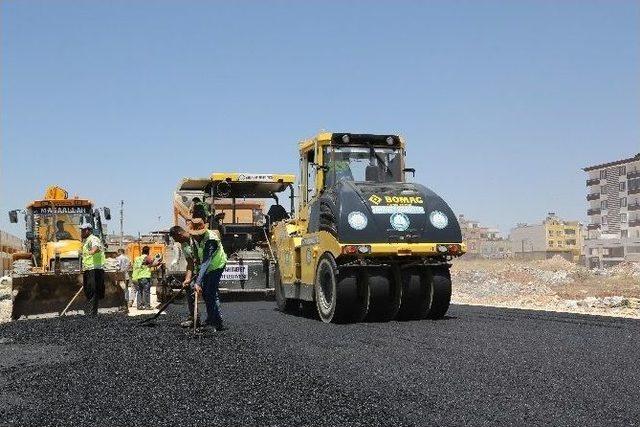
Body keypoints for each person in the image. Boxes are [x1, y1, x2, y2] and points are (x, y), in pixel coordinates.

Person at [189, 218, 227, 331]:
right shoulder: (197, 238)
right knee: (207, 294)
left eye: (197, 234)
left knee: (210, 293)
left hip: (217, 265)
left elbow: (206, 261)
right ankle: (214, 319)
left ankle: (214, 322)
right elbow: (198, 255)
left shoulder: (211, 240)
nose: (195, 236)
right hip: (207, 267)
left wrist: (198, 282)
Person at [169, 225, 199, 328]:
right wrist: (187, 279)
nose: (176, 241)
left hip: (207, 269)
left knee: (208, 294)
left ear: (179, 234)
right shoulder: (184, 245)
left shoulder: (195, 239)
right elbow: (190, 263)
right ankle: (194, 318)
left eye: (175, 238)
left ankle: (213, 320)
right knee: (189, 287)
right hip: (197, 270)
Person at [80, 223, 105, 316]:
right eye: (81, 230)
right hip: (89, 269)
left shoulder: (93, 239)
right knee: (88, 290)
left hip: (95, 269)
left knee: (93, 290)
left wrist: (92, 251)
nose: (81, 232)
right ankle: (91, 312)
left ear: (88, 231)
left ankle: (92, 313)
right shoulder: (86, 241)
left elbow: (96, 247)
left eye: (83, 230)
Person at [132, 246, 162, 310]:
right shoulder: (147, 258)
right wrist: (159, 262)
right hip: (145, 277)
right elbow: (153, 264)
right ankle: (147, 306)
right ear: (148, 251)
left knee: (139, 292)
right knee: (146, 292)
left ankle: (139, 306)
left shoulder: (137, 258)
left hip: (138, 277)